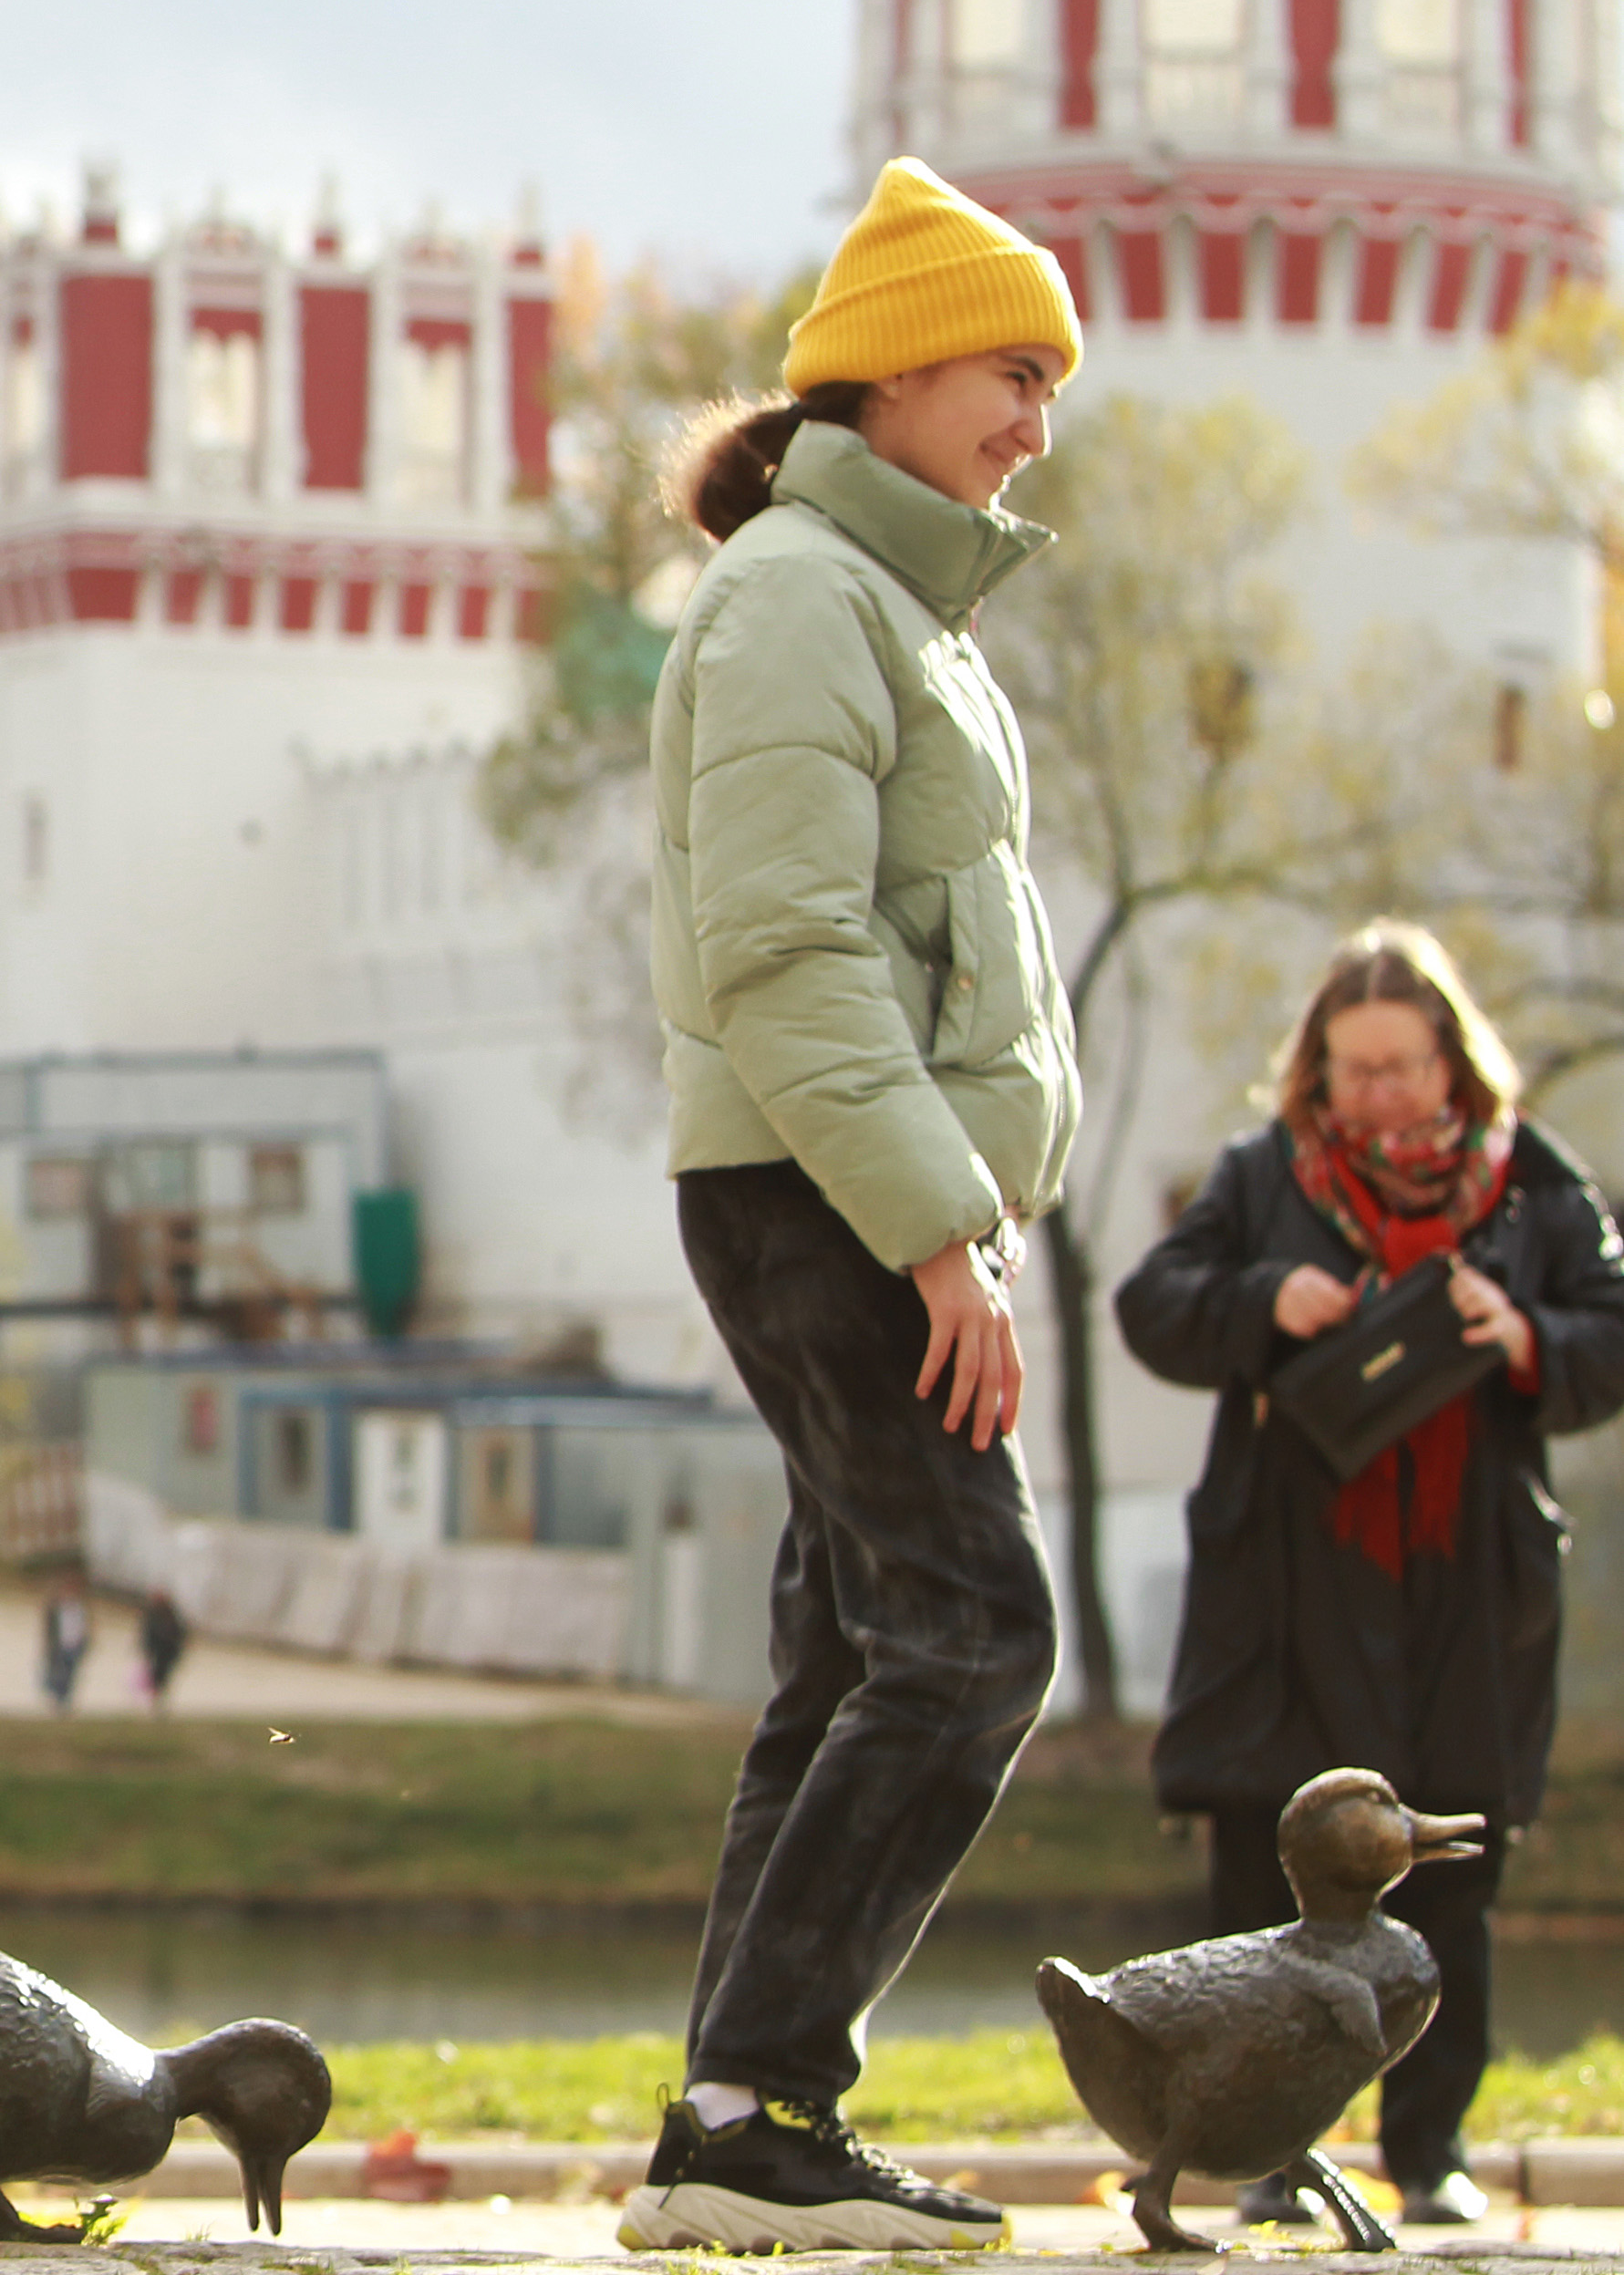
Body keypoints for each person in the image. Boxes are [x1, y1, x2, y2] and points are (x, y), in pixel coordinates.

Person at [615, 163, 1081, 2257]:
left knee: (845, 1651)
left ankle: (727, 2116)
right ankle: (758, 2101)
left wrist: (961, 1215)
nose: (1030, 424)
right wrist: (925, 1235)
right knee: (976, 1628)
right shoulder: (804, 591)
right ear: (883, 370)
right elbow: (786, 954)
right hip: (820, 1191)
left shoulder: (886, 602)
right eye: (1009, 369)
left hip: (846, 1186)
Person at [1117, 922, 1624, 2228]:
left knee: (1453, 1861)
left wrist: (1525, 1336)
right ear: (1316, 1075)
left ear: (1454, 1064)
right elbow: (1151, 1303)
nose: (1383, 1093)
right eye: (1357, 1070)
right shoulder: (1258, 1178)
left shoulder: (1536, 1189)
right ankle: (1261, 2165)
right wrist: (1263, 1300)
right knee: (1261, 1882)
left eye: (1406, 1066)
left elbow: (1611, 1334)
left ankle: (1431, 2150)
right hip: (1290, 1588)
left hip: (1465, 1588)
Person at [36, 1572, 93, 1714]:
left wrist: (86, 1643)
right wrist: (48, 1644)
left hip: (75, 1646)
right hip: (60, 1646)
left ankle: (65, 1703)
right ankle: (57, 1702)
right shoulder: (56, 1607)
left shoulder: (81, 1608)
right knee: (58, 1674)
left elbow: (86, 1627)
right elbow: (49, 1628)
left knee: (71, 1676)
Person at [137, 1586, 190, 1713]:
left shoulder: (171, 1613)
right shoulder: (153, 1614)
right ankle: (155, 1702)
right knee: (156, 1678)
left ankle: (157, 1702)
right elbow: (147, 1634)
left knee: (162, 1678)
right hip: (158, 1651)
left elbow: (181, 1631)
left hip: (168, 1651)